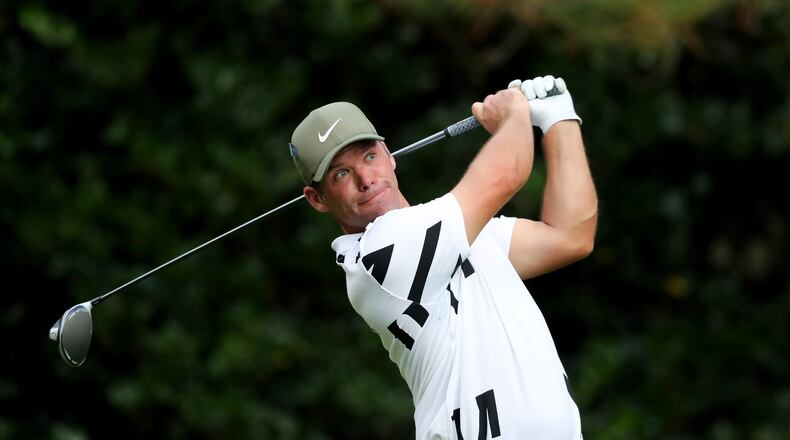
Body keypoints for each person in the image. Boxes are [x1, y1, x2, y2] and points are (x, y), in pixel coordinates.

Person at [289, 75, 597, 439]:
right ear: (317, 198)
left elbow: (569, 236)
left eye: (370, 156)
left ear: (390, 157)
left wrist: (559, 119)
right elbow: (506, 175)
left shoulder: (452, 233)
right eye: (342, 173)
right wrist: (513, 113)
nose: (366, 178)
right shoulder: (377, 257)